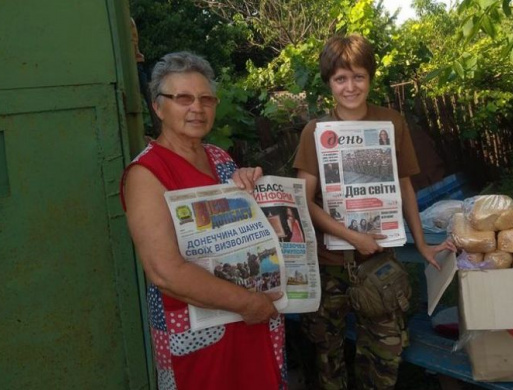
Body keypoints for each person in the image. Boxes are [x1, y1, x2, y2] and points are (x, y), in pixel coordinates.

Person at [293, 35, 456, 390]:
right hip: (330, 262)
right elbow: (303, 200)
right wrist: (352, 237)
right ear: (328, 83)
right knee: (326, 358)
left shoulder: (392, 123)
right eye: (340, 79)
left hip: (379, 261)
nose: (350, 87)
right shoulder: (315, 131)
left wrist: (424, 244)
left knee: (385, 355)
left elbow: (405, 187)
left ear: (370, 78)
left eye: (358, 77)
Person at [120, 51, 286, 389]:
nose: (197, 107)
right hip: (198, 331)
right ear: (157, 106)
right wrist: (248, 303)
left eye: (206, 98)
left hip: (250, 324)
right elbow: (165, 272)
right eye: (183, 98)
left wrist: (248, 182)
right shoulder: (147, 173)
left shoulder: (219, 156)